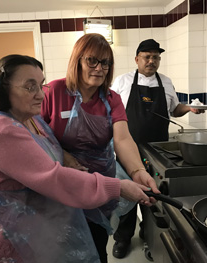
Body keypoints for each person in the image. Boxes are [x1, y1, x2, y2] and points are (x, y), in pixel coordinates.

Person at [0, 54, 155, 263]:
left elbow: (121, 139)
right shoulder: (1, 131)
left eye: (40, 85)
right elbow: (54, 178)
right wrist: (118, 187)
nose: (41, 95)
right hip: (4, 233)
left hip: (28, 225)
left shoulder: (29, 119)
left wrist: (136, 171)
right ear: (3, 88)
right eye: (29, 86)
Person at [40, 33, 160, 263]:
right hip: (63, 186)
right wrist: (63, 155)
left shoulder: (111, 99)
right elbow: (34, 134)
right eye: (92, 60)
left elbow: (123, 140)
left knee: (96, 248)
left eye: (105, 63)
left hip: (100, 187)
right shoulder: (53, 92)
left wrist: (137, 172)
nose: (99, 68)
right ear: (77, 60)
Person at [110, 39, 204, 259]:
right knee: (128, 195)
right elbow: (110, 112)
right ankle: (123, 238)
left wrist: (189, 108)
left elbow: (175, 110)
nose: (152, 61)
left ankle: (148, 233)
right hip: (128, 149)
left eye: (156, 57)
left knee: (154, 195)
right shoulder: (122, 81)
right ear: (137, 59)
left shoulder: (166, 82)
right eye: (147, 56)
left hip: (157, 149)